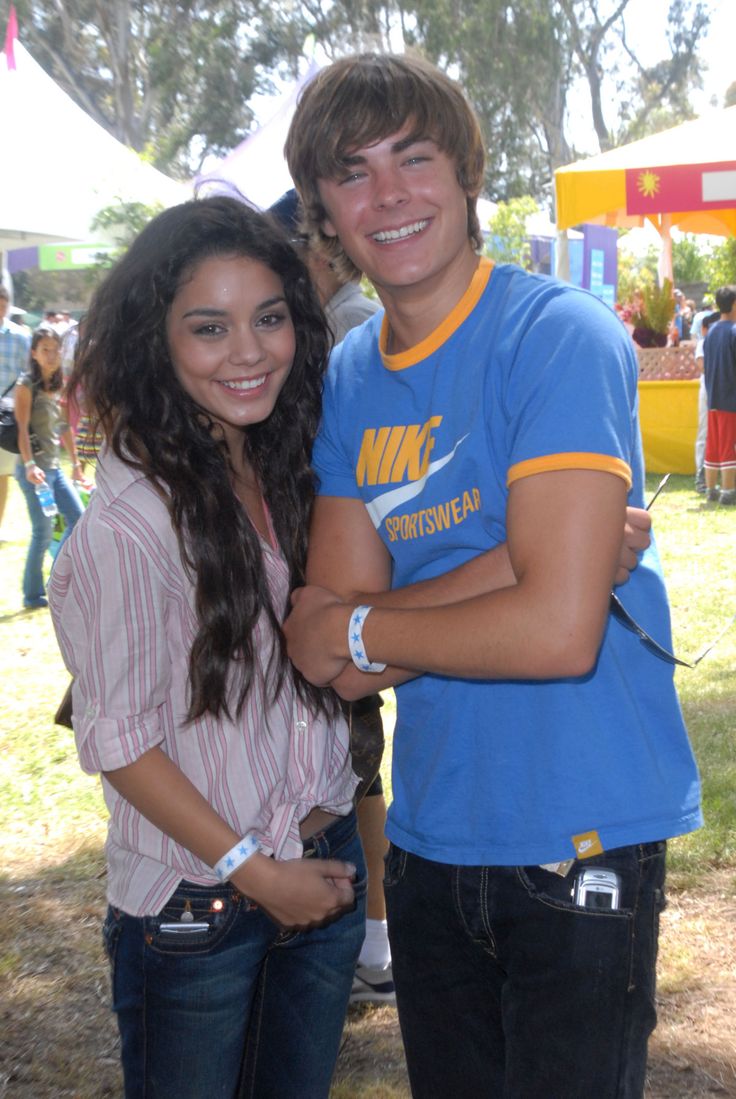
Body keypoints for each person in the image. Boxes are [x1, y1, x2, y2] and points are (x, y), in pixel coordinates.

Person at [282, 53, 702, 1099]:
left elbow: (555, 637)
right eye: (352, 172)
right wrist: (520, 563)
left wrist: (368, 628)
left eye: (412, 157)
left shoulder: (554, 334)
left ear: (466, 170)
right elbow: (322, 656)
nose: (388, 195)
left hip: (578, 834)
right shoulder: (350, 373)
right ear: (324, 210)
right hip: (429, 839)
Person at [47, 196, 366, 1099]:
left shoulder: (281, 463)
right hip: (202, 905)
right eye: (209, 327)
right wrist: (255, 872)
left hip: (319, 870)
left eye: (269, 317)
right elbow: (117, 740)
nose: (250, 350)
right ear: (158, 339)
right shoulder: (133, 522)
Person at [269, 188, 394, 1003]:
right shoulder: (335, 321)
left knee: (351, 770)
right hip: (323, 587)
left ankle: (369, 936)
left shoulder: (347, 331)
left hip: (334, 589)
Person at [14, 328, 85, 608]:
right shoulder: (25, 385)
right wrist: (30, 465)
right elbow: (21, 430)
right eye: (45, 349)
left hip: (54, 469)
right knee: (42, 532)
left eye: (55, 349)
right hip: (33, 471)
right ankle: (32, 594)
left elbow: (63, 426)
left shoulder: (58, 384)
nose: (52, 355)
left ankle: (57, 579)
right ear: (34, 353)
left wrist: (77, 463)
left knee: (78, 519)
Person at [0, 285, 31, 537]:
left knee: (1, 475)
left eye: (2, 304)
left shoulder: (20, 337)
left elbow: (29, 373)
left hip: (6, 417)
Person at [703, 285, 736, 506]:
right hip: (730, 397)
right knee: (729, 445)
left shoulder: (711, 331)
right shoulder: (733, 331)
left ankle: (710, 489)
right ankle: (728, 491)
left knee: (713, 445)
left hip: (713, 397)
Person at [693, 310, 721, 493]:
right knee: (705, 432)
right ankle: (701, 477)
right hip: (709, 391)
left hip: (724, 391)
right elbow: (702, 365)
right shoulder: (703, 343)